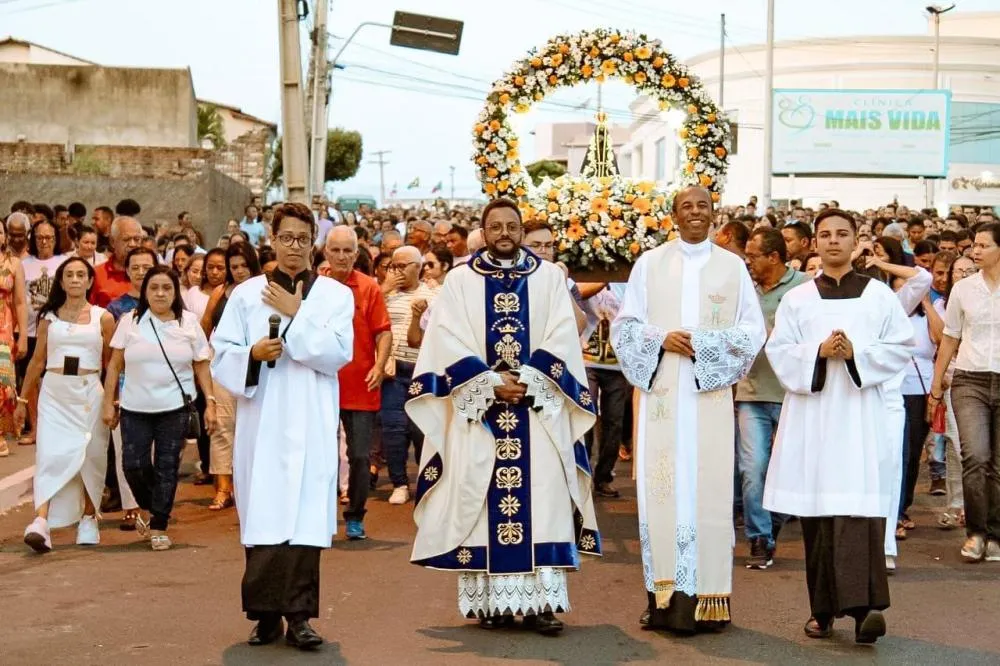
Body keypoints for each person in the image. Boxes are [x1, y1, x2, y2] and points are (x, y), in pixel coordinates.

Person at [406, 197, 599, 635]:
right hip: (482, 411)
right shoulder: (459, 282)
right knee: (480, 502)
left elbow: (563, 336)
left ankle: (542, 605)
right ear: (484, 230)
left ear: (520, 230)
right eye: (497, 227)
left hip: (538, 411)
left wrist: (529, 378)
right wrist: (489, 382)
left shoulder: (549, 278)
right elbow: (445, 338)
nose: (505, 234)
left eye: (513, 226)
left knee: (544, 502)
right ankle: (491, 604)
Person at [612, 186, 765, 634]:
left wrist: (704, 343)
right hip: (662, 394)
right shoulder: (650, 264)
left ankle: (710, 600)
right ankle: (661, 600)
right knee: (662, 496)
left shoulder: (732, 267)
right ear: (674, 215)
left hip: (708, 397)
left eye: (702, 206)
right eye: (686, 206)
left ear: (713, 213)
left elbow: (752, 330)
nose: (695, 213)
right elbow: (625, 326)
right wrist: (661, 339)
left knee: (709, 495)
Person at [763, 208, 913, 644]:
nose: (833, 241)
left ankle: (866, 609)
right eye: (825, 235)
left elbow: (900, 346)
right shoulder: (798, 299)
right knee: (818, 515)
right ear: (814, 243)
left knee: (859, 511)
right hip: (813, 418)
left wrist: (854, 354)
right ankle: (822, 611)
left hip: (859, 418)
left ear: (855, 241)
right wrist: (819, 351)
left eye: (841, 234)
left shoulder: (878, 296)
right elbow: (780, 352)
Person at [211, 202, 354, 649]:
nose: (294, 247)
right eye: (286, 238)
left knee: (305, 521)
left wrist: (296, 312)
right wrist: (251, 355)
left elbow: (337, 353)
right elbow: (221, 353)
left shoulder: (334, 296)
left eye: (302, 239)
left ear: (314, 242)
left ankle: (301, 617)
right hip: (264, 421)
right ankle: (265, 617)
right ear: (271, 240)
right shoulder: (245, 293)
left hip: (311, 419)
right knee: (265, 517)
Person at [102, 265, 216, 551]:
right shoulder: (130, 321)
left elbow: (201, 365)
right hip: (134, 407)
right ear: (145, 292)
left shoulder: (188, 323)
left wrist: (211, 403)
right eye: (154, 288)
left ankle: (159, 525)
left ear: (175, 291)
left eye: (167, 287)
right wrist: (108, 403)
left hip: (175, 408)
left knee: (167, 467)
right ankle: (156, 505)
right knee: (133, 466)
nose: (160, 293)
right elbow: (115, 365)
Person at [19, 257, 115, 551]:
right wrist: (23, 399)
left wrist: (112, 400)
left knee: (90, 455)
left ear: (89, 281)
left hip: (89, 392)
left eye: (81, 275)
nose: (75, 279)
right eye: (69, 275)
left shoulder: (103, 318)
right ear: (61, 281)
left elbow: (112, 364)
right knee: (49, 453)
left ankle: (88, 517)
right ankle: (41, 522)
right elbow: (37, 362)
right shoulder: (48, 318)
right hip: (55, 392)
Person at [736, 228, 809, 569]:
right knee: (752, 468)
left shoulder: (805, 288)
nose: (748, 261)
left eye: (753, 255)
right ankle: (759, 538)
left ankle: (775, 520)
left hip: (792, 394)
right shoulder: (743, 289)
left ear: (774, 257)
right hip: (750, 392)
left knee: (790, 470)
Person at [929, 222, 1000, 563]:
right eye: (974, 244)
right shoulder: (964, 289)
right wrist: (937, 381)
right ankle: (976, 533)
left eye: (983, 245)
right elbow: (951, 337)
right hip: (969, 380)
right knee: (975, 457)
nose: (975, 250)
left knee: (998, 465)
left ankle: (995, 534)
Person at [323, 226, 392, 540]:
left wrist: (379, 364)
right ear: (326, 252)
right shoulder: (314, 285)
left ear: (357, 253)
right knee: (319, 455)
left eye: (347, 251)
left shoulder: (368, 288)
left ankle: (355, 516)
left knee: (361, 456)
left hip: (361, 383)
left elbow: (383, 331)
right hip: (321, 382)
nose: (341, 257)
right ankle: (319, 516)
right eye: (335, 250)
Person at [201, 243, 262, 511]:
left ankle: (253, 485)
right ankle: (223, 488)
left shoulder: (265, 289)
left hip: (258, 364)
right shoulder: (220, 292)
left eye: (243, 266)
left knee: (255, 427)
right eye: (233, 267)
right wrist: (203, 362)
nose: (238, 271)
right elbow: (205, 325)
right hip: (224, 364)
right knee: (222, 426)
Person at [105, 247, 158, 531]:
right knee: (125, 449)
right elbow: (112, 357)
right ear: (127, 271)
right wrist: (110, 394)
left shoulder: (168, 304)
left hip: (161, 389)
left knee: (154, 452)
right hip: (127, 389)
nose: (140, 272)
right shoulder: (116, 308)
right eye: (135, 267)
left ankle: (154, 504)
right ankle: (130, 505)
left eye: (146, 266)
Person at [382, 245, 436, 505]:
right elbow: (363, 316)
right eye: (394, 266)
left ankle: (425, 482)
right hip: (392, 370)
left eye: (404, 266)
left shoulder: (433, 294)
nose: (398, 271)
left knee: (420, 429)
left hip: (420, 369)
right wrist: (384, 288)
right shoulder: (383, 293)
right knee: (393, 428)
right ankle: (399, 483)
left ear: (419, 267)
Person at [19, 219, 70, 445]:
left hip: (58, 330)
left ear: (56, 239)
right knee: (31, 381)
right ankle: (36, 428)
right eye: (39, 237)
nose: (44, 242)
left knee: (56, 380)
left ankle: (58, 427)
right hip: (29, 330)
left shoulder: (65, 262)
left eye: (49, 237)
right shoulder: (23, 264)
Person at [0, 219, 28, 456]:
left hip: (4, 328)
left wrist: (23, 337)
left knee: (5, 383)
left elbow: (20, 301)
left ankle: (1, 432)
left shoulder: (15, 264)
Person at [91, 217, 144, 308]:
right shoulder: (97, 274)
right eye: (126, 239)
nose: (132, 244)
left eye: (137, 239)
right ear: (112, 242)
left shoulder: (153, 273)